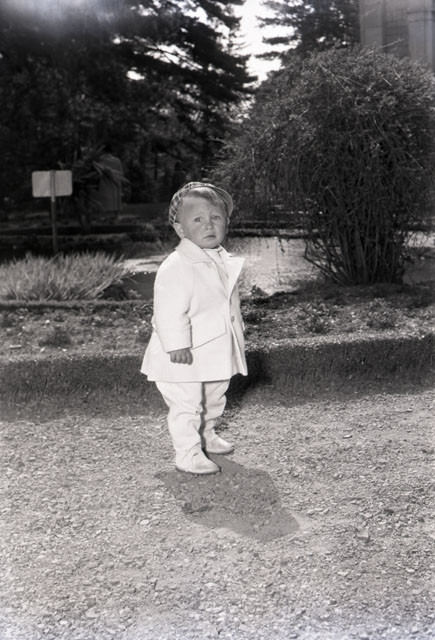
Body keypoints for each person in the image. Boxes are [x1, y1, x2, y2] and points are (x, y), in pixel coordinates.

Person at [141, 182, 247, 475]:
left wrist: (236, 332)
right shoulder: (176, 265)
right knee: (187, 403)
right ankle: (187, 453)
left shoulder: (221, 259)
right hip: (181, 356)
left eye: (216, 217)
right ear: (180, 229)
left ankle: (205, 434)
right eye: (197, 219)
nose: (209, 225)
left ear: (226, 223)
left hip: (213, 349)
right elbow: (168, 310)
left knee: (215, 394)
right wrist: (176, 344)